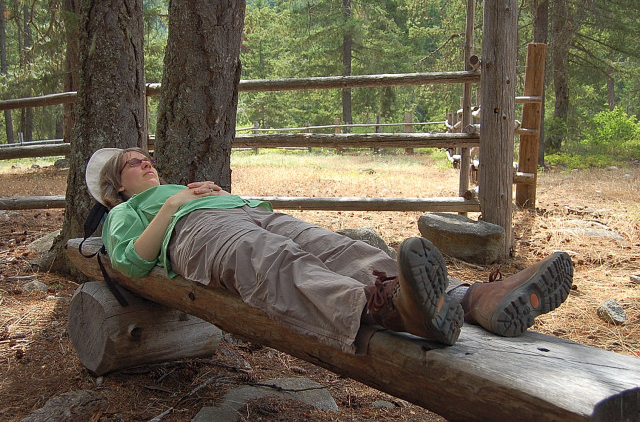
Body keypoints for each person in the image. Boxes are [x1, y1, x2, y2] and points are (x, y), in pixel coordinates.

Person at [86, 147, 574, 354]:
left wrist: (220, 193)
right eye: (132, 162)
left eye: (145, 155)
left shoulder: (182, 185)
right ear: (117, 187)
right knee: (270, 259)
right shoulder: (122, 214)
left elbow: (261, 211)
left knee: (336, 248)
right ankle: (382, 309)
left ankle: (468, 299)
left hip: (239, 212)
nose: (144, 160)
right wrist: (174, 204)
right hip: (193, 233)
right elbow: (131, 260)